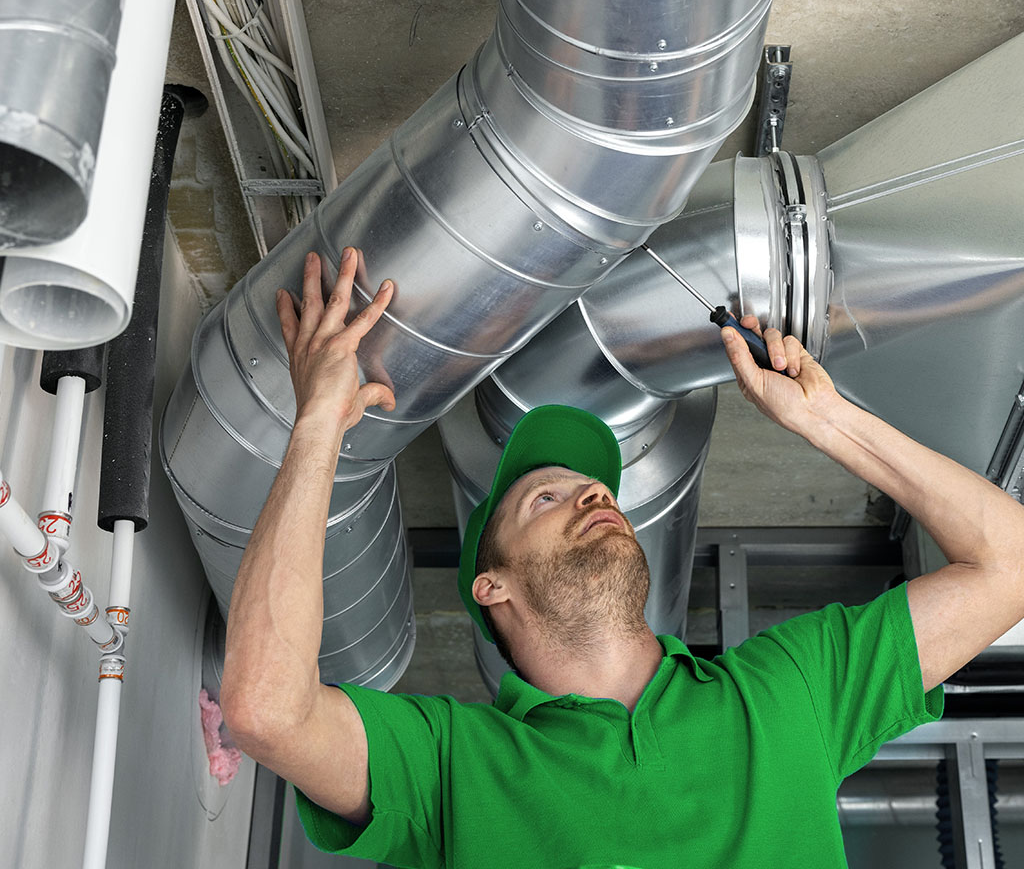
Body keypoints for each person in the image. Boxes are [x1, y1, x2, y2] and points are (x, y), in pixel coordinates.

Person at [220, 248, 1024, 869]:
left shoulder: (790, 692)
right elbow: (263, 708)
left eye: (599, 493)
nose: (593, 496)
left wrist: (829, 422)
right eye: (546, 498)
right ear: (489, 584)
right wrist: (320, 423)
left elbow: (1010, 564)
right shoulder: (449, 763)